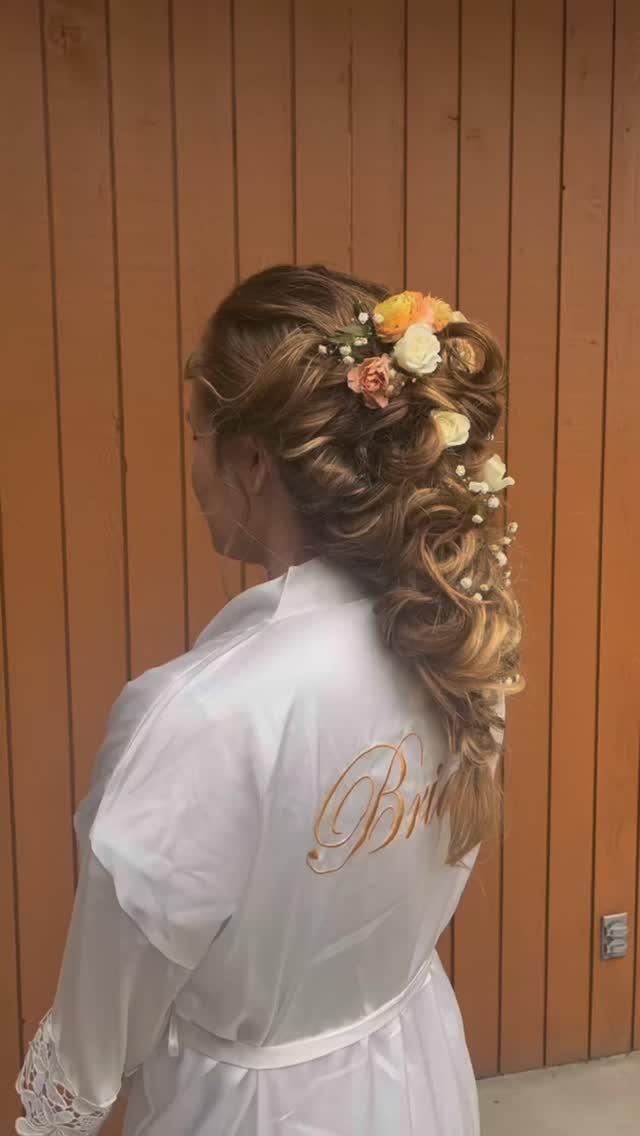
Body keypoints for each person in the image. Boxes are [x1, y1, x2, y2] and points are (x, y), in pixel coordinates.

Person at [15, 265, 522, 1135]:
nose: (194, 461)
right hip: (417, 1075)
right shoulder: (462, 637)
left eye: (195, 432)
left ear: (249, 459)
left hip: (252, 1112)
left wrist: (53, 1117)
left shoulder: (199, 714)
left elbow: (101, 1033)